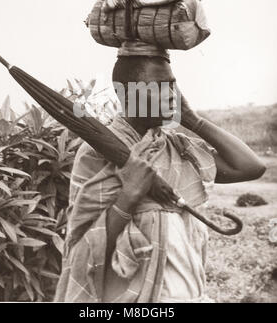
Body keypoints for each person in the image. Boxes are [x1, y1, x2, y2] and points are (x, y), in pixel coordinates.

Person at [54, 54, 265, 303]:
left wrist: (193, 120)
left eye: (173, 86)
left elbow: (250, 167)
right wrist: (128, 196)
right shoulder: (98, 153)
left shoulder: (178, 147)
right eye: (160, 87)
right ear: (128, 96)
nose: (171, 95)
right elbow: (82, 249)